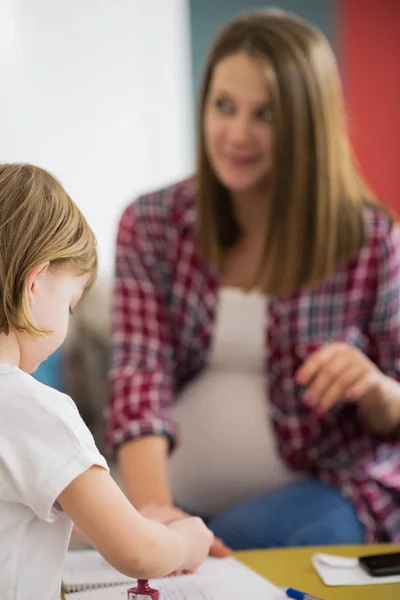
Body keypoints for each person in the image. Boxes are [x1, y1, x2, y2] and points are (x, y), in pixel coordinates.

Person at [107, 9, 400, 550]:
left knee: (237, 545)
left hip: (328, 488)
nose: (237, 133)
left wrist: (375, 386)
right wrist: (155, 514)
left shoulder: (369, 238)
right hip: (174, 496)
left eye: (264, 114)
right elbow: (139, 372)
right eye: (224, 106)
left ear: (307, 124)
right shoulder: (150, 223)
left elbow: (395, 409)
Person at [0, 164, 213, 600]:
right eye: (72, 303)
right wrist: (190, 541)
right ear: (35, 285)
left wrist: (124, 513)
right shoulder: (37, 410)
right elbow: (139, 553)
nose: (70, 318)